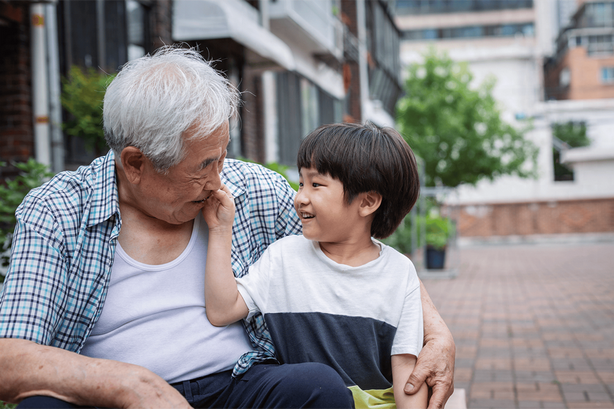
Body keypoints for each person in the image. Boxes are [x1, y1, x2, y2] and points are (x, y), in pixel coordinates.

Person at [0, 46, 455, 408]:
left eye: (221, 155)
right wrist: (131, 385)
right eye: (204, 164)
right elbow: (10, 357)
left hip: (238, 384)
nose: (221, 179)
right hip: (118, 397)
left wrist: (433, 330)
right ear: (136, 164)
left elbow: (356, 250)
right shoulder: (59, 210)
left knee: (315, 387)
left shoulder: (250, 188)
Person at [202, 123, 429, 409]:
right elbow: (222, 310)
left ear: (367, 202)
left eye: (316, 184)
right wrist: (221, 230)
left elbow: (407, 370)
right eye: (300, 183)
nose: (300, 197)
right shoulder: (283, 258)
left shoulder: (399, 272)